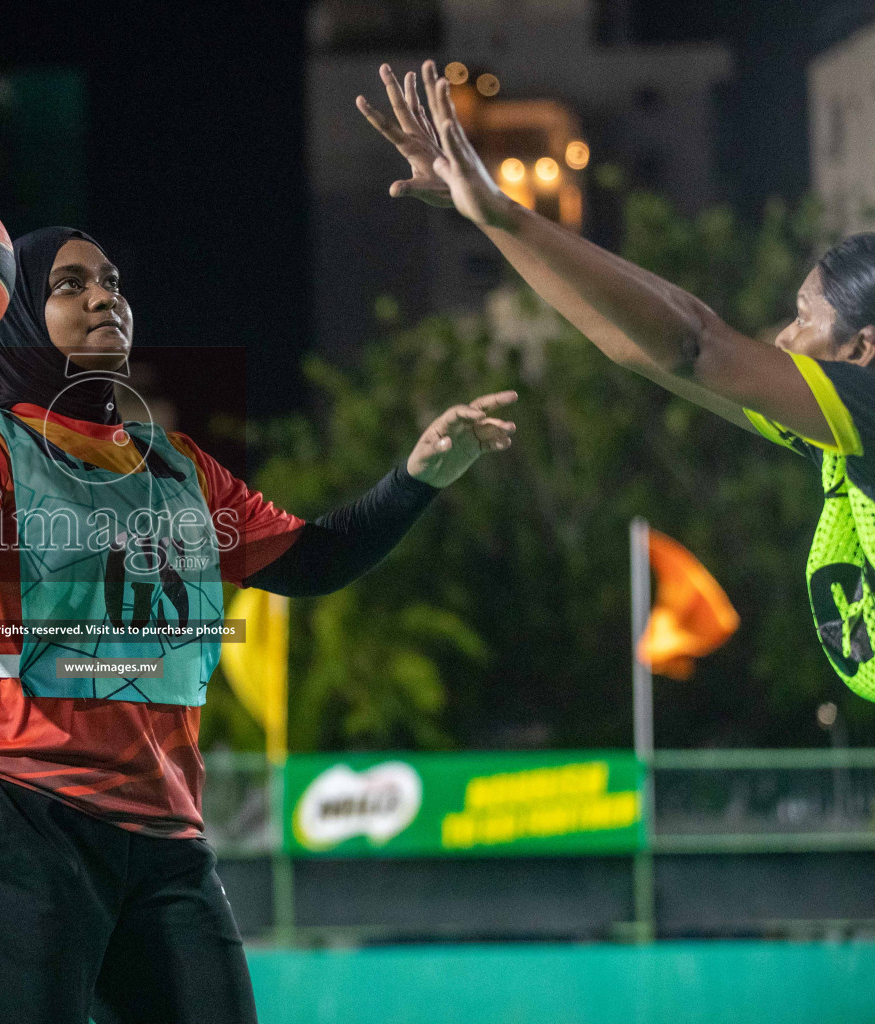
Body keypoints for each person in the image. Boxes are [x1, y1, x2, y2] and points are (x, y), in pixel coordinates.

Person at [0, 224, 517, 1023]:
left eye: (113, 282)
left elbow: (311, 561)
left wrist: (415, 479)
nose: (104, 297)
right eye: (69, 285)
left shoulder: (176, 465)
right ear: (13, 314)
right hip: (8, 811)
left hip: (161, 835)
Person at [359, 59, 875, 700]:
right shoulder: (842, 439)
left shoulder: (869, 407)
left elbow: (695, 344)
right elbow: (643, 351)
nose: (784, 338)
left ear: (860, 347)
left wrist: (501, 209)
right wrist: (489, 215)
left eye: (803, 319)